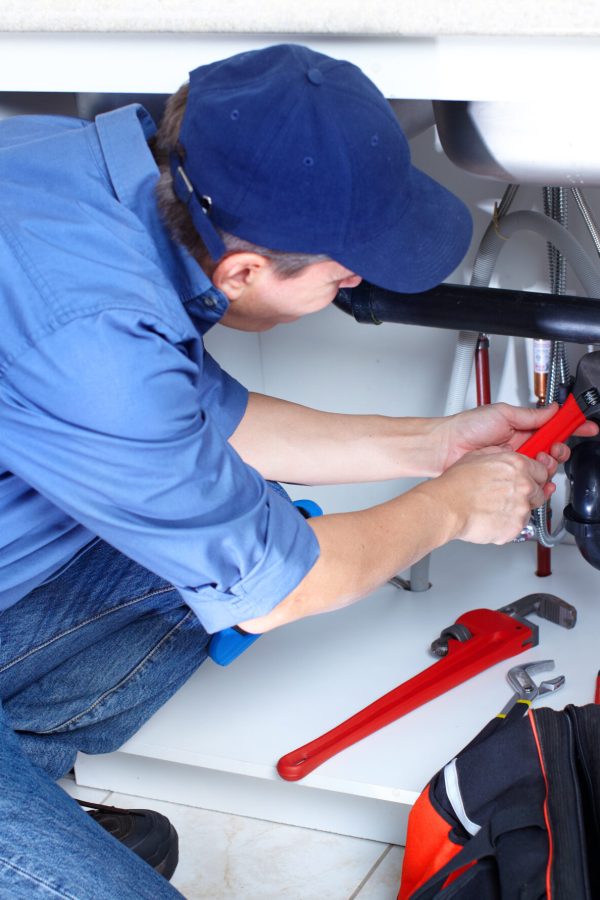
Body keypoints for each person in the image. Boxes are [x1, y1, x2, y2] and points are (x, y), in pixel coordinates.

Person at [0, 43, 593, 898]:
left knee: (244, 527)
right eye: (342, 275)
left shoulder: (89, 177)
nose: (356, 284)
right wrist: (451, 509)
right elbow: (279, 591)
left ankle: (25, 796)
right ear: (243, 270)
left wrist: (435, 444)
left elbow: (205, 420)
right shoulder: (94, 342)